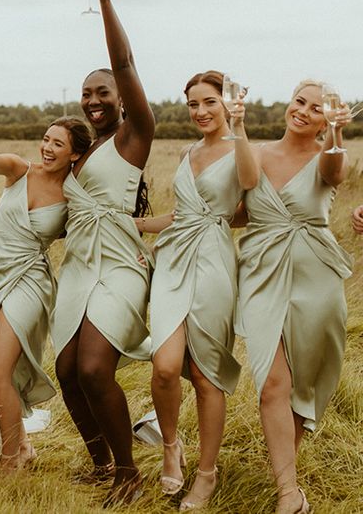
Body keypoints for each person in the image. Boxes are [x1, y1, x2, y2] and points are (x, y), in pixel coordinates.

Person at [51, 0, 155, 504]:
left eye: (104, 91)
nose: (94, 99)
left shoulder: (134, 136)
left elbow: (125, 61)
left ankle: (129, 472)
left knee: (94, 367)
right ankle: (99, 462)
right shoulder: (80, 151)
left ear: (122, 97)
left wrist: (106, 0)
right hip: (78, 270)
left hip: (118, 268)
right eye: (87, 92)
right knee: (67, 371)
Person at [0, 111, 91, 470]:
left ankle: (10, 461)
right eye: (46, 139)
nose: (48, 147)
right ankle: (22, 446)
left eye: (58, 143)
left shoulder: (74, 194)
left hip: (29, 279)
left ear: (74, 154)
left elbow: (97, 226)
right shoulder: (19, 169)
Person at [237, 80, 352, 514]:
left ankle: (286, 474)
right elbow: (236, 210)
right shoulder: (259, 153)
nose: (304, 111)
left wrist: (337, 135)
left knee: (301, 385)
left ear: (327, 119)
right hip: (262, 275)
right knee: (271, 384)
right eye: (300, 101)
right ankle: (289, 493)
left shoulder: (327, 155)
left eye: (317, 109)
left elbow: (334, 172)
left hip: (316, 281)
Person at [144, 71, 257, 510]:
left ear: (227, 103)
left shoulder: (241, 148)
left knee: (206, 375)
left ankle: (206, 476)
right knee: (165, 366)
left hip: (212, 263)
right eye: (193, 104)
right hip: (172, 259)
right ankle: (171, 446)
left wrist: (242, 129)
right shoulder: (188, 151)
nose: (201, 112)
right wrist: (132, 225)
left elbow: (248, 185)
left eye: (209, 102)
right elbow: (179, 215)